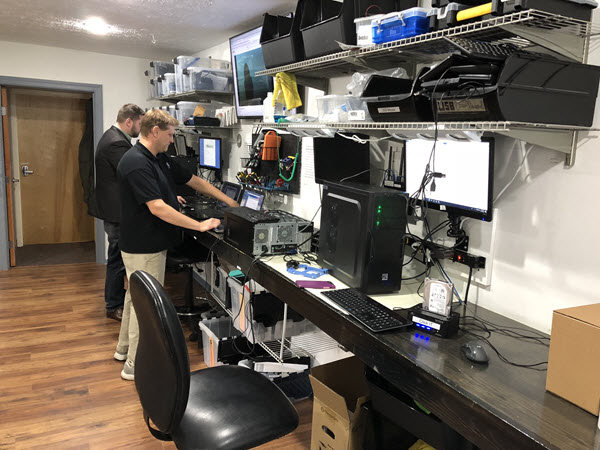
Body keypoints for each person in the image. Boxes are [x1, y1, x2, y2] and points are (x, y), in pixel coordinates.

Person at [114, 109, 237, 381]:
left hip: (145, 243)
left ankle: (123, 351)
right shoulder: (136, 162)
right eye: (170, 135)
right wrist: (199, 225)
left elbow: (194, 180)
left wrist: (229, 202)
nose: (172, 140)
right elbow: (157, 207)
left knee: (135, 298)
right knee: (146, 306)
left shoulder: (158, 158)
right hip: (143, 246)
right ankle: (134, 365)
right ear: (155, 131)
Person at [93, 104, 145, 321]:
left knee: (117, 258)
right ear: (129, 121)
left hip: (114, 211)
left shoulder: (113, 137)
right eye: (140, 123)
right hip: (117, 213)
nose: (141, 129)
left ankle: (116, 300)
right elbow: (133, 174)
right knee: (117, 260)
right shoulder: (116, 143)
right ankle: (113, 305)